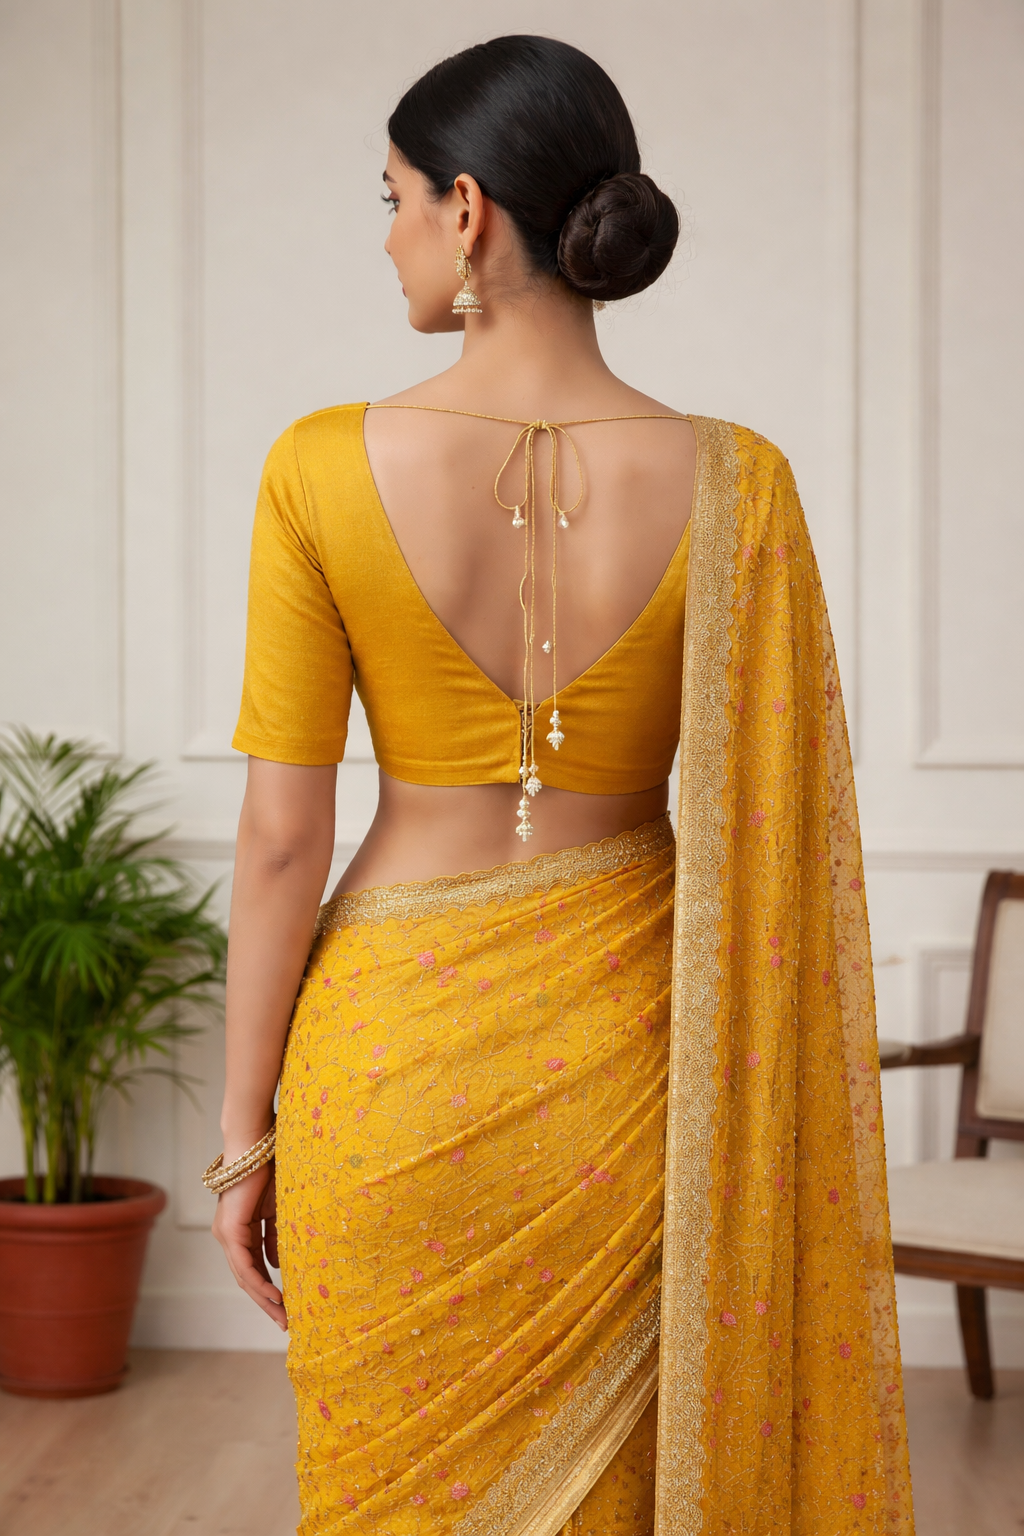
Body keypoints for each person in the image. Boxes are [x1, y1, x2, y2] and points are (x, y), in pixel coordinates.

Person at [210, 35, 914, 1536]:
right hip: (635, 1065)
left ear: (467, 212)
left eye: (392, 196)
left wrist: (239, 1141)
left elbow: (281, 842)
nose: (386, 232)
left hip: (386, 1071)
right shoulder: (738, 478)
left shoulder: (319, 466)